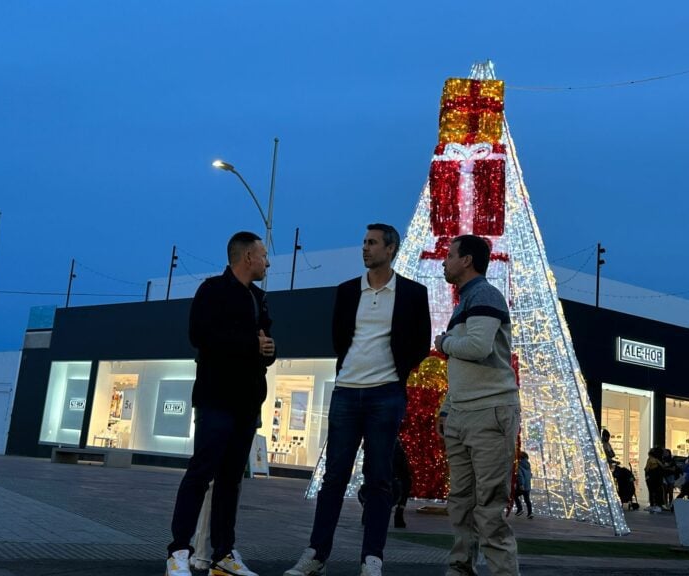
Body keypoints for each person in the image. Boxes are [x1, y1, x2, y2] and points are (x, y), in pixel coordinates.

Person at [285, 223, 431, 576]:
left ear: (391, 249)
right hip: (347, 393)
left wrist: (396, 374)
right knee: (334, 477)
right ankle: (316, 554)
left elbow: (420, 342)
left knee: (380, 477)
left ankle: (372, 559)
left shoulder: (412, 293)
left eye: (372, 243)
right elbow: (340, 338)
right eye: (364, 242)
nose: (365, 248)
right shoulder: (348, 291)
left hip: (386, 394)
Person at [166, 231, 276, 576]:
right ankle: (178, 552)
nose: (267, 262)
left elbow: (266, 344)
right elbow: (200, 336)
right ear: (247, 257)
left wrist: (271, 351)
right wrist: (251, 345)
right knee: (200, 473)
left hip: (247, 403)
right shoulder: (211, 290)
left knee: (231, 480)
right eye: (263, 255)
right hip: (216, 399)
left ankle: (223, 556)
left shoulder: (258, 298)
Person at [434, 234, 521, 576]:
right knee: (461, 502)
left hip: (489, 413)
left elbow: (477, 347)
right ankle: (460, 566)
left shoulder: (485, 294)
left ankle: (502, 572)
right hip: (462, 412)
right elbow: (465, 365)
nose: (444, 261)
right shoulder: (467, 299)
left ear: (467, 260)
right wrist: (447, 405)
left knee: (487, 507)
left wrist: (443, 342)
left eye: (450, 255)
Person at [644, 447, 665, 513]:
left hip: (651, 477)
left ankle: (653, 504)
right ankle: (658, 505)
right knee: (658, 491)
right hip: (658, 478)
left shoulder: (650, 460)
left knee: (651, 491)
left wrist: (647, 475)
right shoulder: (660, 460)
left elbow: (646, 469)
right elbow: (663, 467)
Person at [514, 451, 533, 519]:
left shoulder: (519, 465)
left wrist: (521, 484)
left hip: (522, 486)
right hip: (528, 485)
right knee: (527, 499)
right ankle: (530, 513)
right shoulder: (528, 465)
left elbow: (520, 475)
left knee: (514, 495)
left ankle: (520, 509)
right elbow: (530, 475)